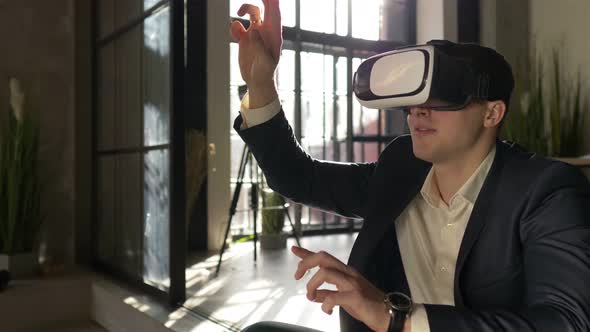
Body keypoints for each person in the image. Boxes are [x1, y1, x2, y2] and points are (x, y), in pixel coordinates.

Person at [230, 1, 590, 331]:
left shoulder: (546, 191)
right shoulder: (401, 166)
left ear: (492, 113)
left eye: (443, 96)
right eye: (414, 97)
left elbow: (565, 321)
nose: (418, 110)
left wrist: (396, 319)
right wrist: (261, 85)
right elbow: (298, 178)